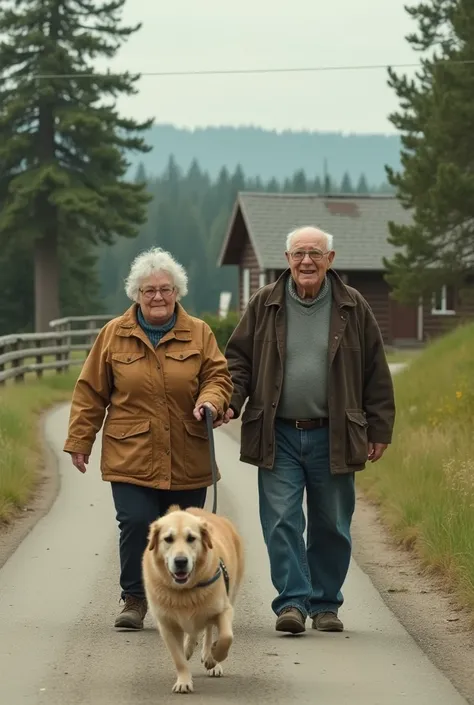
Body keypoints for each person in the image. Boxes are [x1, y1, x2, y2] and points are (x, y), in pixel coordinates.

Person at [220, 226, 395, 635]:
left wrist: (380, 426)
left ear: (330, 259)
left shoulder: (353, 306)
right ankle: (293, 603)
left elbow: (375, 371)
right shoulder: (265, 303)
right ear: (287, 258)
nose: (306, 262)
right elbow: (238, 360)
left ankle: (325, 604)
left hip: (334, 433)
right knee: (281, 519)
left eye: (315, 253)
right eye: (299, 253)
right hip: (276, 431)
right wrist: (230, 400)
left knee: (332, 522)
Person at [63, 246, 233, 630]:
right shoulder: (113, 335)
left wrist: (210, 401)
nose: (157, 296)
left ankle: (185, 599)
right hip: (131, 452)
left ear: (178, 292)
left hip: (188, 452)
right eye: (148, 290)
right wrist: (79, 440)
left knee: (184, 533)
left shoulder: (200, 333)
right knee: (137, 522)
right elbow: (91, 390)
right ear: (135, 295)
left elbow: (218, 378)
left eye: (165, 289)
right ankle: (135, 598)